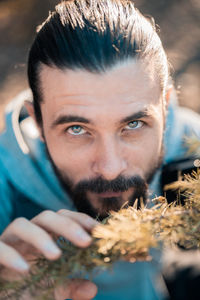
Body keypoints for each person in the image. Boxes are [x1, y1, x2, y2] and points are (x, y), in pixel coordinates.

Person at [0, 0, 200, 299]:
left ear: (166, 106)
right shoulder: (6, 184)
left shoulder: (188, 143)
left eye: (133, 124)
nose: (110, 168)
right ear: (38, 122)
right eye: (76, 129)